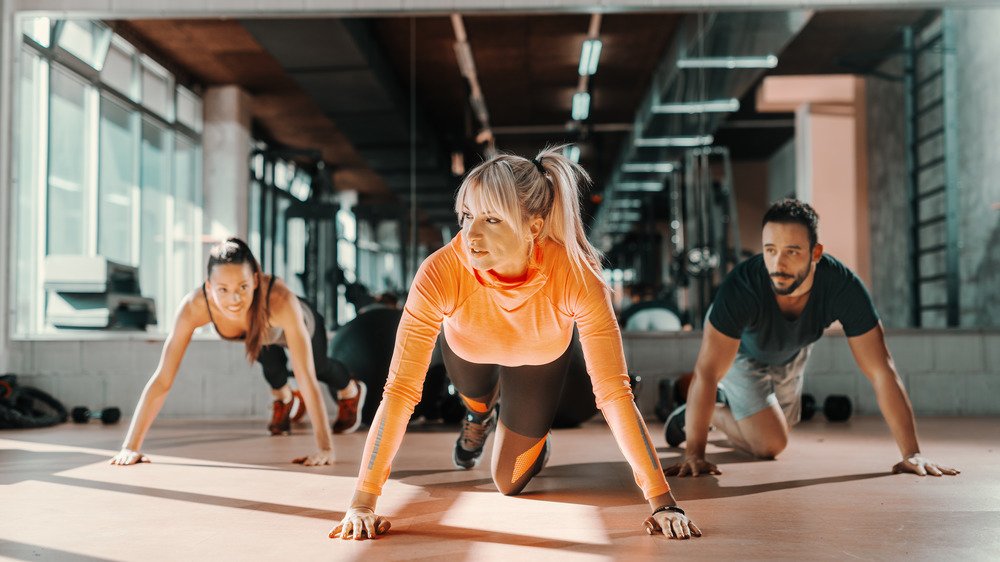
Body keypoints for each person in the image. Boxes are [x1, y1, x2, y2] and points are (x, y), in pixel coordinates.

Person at [330, 148, 701, 541]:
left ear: (534, 227)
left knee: (508, 482)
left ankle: (535, 436)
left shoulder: (575, 274)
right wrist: (363, 501)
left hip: (536, 362)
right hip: (468, 354)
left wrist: (662, 500)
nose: (471, 235)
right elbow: (400, 391)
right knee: (472, 393)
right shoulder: (440, 271)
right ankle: (477, 416)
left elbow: (613, 391)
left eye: (491, 219)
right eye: (468, 216)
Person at [663, 199, 959, 480]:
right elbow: (707, 372)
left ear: (816, 253)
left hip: (791, 350)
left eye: (792, 251)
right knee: (770, 445)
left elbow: (882, 371)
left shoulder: (842, 287)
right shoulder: (741, 287)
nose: (778, 263)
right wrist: (695, 453)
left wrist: (912, 453)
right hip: (742, 350)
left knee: (779, 428)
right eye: (770, 250)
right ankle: (703, 413)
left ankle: (718, 410)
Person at [110, 238, 365, 467]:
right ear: (209, 287)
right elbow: (163, 378)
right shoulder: (194, 307)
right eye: (223, 289)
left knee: (318, 368)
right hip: (261, 334)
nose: (234, 299)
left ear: (255, 279)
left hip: (302, 325)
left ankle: (350, 389)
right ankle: (287, 400)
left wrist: (325, 449)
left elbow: (306, 376)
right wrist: (130, 447)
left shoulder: (280, 300)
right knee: (273, 371)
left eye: (243, 287)